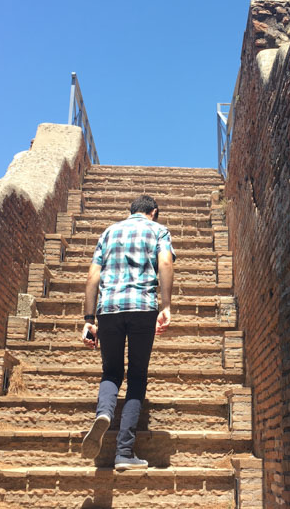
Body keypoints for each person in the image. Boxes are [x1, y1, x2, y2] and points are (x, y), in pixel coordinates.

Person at [80, 194, 175, 470]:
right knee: (136, 376)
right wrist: (166, 305)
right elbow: (166, 263)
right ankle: (124, 452)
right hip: (142, 307)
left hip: (108, 309)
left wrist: (89, 320)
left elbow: (92, 276)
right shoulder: (159, 231)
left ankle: (104, 413)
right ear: (154, 212)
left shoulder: (109, 232)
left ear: (130, 211)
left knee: (111, 372)